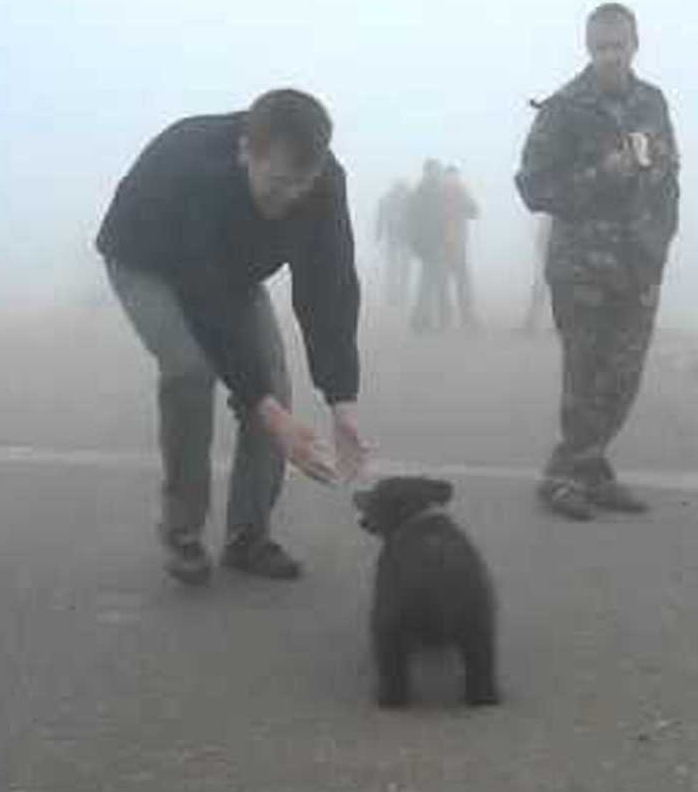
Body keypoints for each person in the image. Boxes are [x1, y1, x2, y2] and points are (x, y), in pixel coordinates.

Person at [95, 88, 368, 583]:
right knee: (190, 370)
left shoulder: (325, 184)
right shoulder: (194, 173)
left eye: (301, 185)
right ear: (246, 151)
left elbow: (329, 288)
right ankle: (183, 531)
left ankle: (249, 535)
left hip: (232, 270)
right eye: (278, 183)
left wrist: (341, 399)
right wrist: (265, 409)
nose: (289, 200)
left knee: (276, 391)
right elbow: (206, 304)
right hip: (147, 259)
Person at [515, 3, 681, 520]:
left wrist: (660, 247)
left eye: (619, 46)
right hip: (581, 269)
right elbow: (533, 187)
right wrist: (600, 175)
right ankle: (564, 476)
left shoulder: (653, 102)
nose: (611, 56)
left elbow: (669, 177)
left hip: (638, 265)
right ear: (589, 48)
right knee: (584, 379)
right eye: (601, 47)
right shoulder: (564, 108)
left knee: (624, 377)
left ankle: (589, 465)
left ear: (636, 44)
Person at [407, 159, 453, 334]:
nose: (438, 173)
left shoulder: (423, 189)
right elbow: (419, 218)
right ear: (430, 171)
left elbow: (413, 217)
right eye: (436, 170)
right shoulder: (428, 190)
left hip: (431, 242)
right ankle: (429, 319)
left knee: (430, 281)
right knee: (433, 282)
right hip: (432, 243)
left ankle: (425, 319)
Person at [441, 165, 481, 331]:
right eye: (451, 177)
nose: (453, 180)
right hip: (446, 244)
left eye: (454, 177)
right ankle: (454, 318)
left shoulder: (459, 192)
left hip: (456, 243)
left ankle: (464, 317)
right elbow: (474, 211)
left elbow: (474, 211)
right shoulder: (441, 193)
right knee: (451, 282)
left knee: (459, 282)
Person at [374, 179, 413, 312]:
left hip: (396, 238)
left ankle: (393, 297)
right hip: (403, 238)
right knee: (401, 269)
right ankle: (400, 296)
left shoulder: (387, 199)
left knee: (395, 269)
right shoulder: (409, 198)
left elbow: (381, 218)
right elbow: (381, 217)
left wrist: (378, 234)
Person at [519, 213, 552, 334]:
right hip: (557, 259)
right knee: (541, 288)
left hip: (554, 258)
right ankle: (532, 322)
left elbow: (540, 239)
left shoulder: (550, 216)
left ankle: (531, 323)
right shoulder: (554, 216)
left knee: (540, 288)